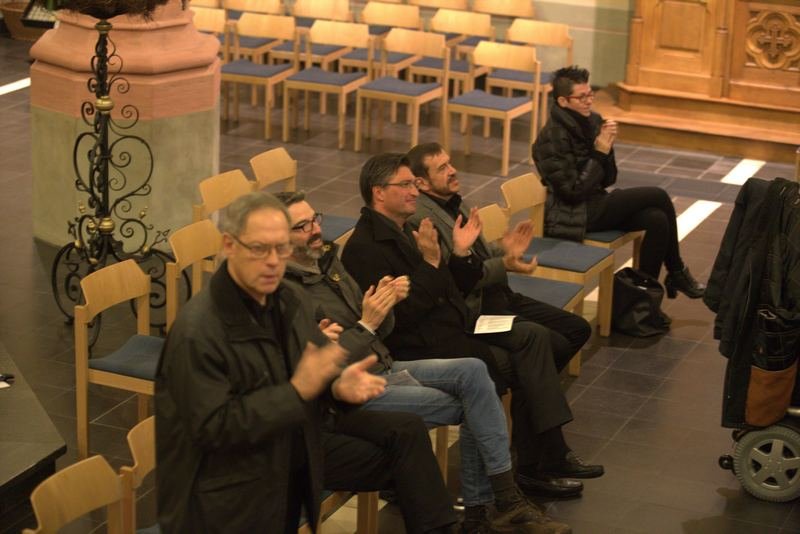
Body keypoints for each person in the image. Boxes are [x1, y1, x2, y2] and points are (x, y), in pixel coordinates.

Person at [155, 191, 459, 534]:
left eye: (281, 248)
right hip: (225, 493)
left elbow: (308, 368)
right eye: (260, 249)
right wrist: (300, 390)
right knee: (406, 460)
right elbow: (215, 429)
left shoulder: (288, 297)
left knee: (408, 453)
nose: (273, 261)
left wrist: (336, 389)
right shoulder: (198, 331)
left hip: (288, 455)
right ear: (229, 245)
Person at [278, 191, 572, 534]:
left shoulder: (328, 261)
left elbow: (381, 329)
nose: (315, 229)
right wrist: (368, 323)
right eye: (302, 226)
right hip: (351, 389)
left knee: (475, 371)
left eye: (315, 219)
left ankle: (493, 507)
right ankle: (490, 508)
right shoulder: (290, 291)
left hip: (383, 362)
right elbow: (322, 365)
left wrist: (384, 306)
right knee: (478, 400)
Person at [341, 153, 599, 502]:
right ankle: (510, 480)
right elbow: (403, 317)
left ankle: (533, 463)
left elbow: (449, 287)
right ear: (379, 192)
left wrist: (460, 254)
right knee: (527, 360)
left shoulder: (406, 229)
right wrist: (433, 263)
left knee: (538, 347)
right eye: (405, 185)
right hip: (421, 346)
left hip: (452, 327)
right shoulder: (366, 247)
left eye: (414, 184)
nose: (414, 192)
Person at [407, 142, 593, 373]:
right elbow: (457, 277)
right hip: (475, 308)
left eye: (450, 163)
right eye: (442, 168)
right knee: (552, 343)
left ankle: (530, 384)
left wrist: (507, 251)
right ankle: (528, 385)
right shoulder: (422, 220)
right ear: (421, 183)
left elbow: (479, 253)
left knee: (578, 328)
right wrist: (504, 264)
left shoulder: (453, 201)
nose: (453, 170)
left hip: (500, 294)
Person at [531, 65, 705, 301]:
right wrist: (600, 153)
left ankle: (642, 300)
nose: (589, 101)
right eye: (582, 97)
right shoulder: (551, 138)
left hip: (595, 202)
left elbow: (609, 179)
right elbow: (572, 192)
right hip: (572, 214)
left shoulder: (592, 121)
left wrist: (608, 147)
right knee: (658, 195)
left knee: (657, 219)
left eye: (590, 94)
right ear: (563, 101)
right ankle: (676, 272)